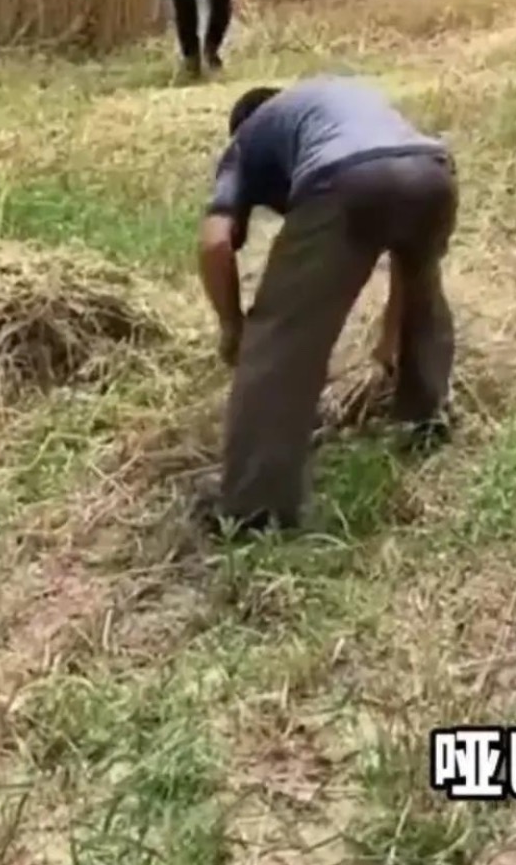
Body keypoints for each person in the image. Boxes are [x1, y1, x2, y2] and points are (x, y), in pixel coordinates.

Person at [196, 75, 458, 533]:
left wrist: (234, 328)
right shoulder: (328, 107)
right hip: (432, 170)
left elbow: (216, 245)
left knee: (280, 339)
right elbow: (405, 266)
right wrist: (388, 341)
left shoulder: (247, 141)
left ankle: (254, 511)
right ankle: (423, 418)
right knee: (425, 290)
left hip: (346, 177)